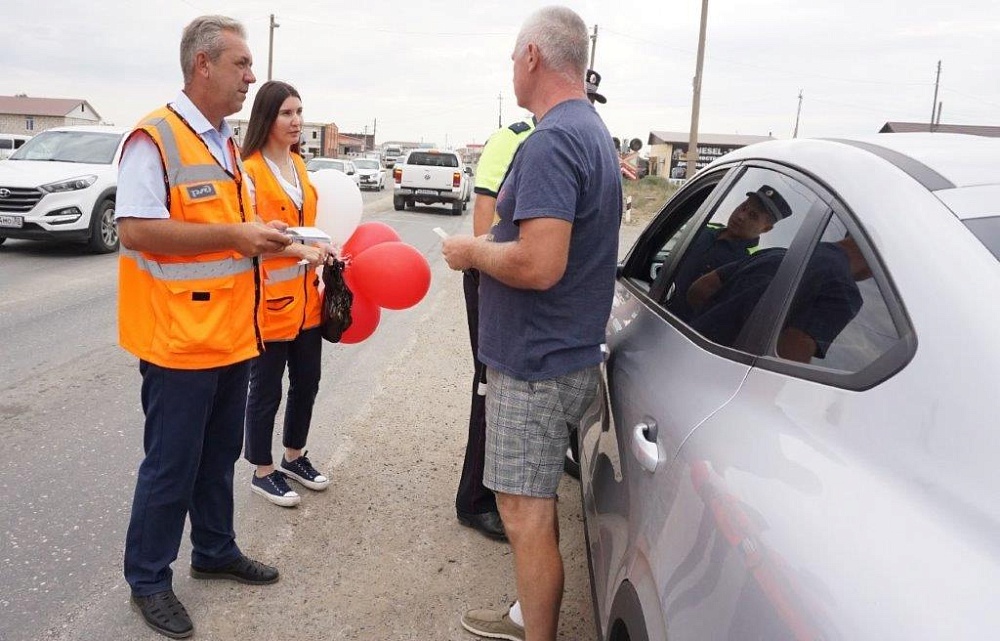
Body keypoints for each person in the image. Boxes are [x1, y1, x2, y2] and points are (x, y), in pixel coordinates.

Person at [442, 7, 622, 641]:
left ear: (532, 59)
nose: (510, 68)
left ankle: (535, 631)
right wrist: (502, 238)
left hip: (534, 363)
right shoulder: (590, 129)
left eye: (512, 57)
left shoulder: (549, 141)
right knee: (535, 507)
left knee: (524, 511)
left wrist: (471, 252)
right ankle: (529, 612)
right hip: (562, 351)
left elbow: (540, 264)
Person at [116, 15, 291, 639]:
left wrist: (281, 244)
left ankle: (215, 551)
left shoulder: (222, 139)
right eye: (242, 65)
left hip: (229, 333)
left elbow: (232, 237)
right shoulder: (155, 136)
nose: (251, 76)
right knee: (171, 465)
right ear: (203, 66)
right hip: (179, 338)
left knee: (217, 457)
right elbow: (135, 228)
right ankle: (149, 580)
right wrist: (238, 235)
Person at [241, 80, 334, 507]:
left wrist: (325, 250)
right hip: (269, 303)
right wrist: (303, 251)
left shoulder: (299, 165)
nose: (296, 121)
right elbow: (255, 237)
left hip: (307, 303)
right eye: (287, 114)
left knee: (308, 382)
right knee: (266, 389)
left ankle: (294, 455)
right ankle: (262, 469)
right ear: (267, 118)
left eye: (299, 112)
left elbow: (307, 222)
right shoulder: (251, 171)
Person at [687, 236, 871, 360]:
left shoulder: (775, 253)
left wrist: (723, 322)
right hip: (725, 382)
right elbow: (787, 356)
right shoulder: (842, 291)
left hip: (688, 352)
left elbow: (699, 289)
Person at [667, 185, 792, 321]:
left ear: (766, 229)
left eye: (753, 216)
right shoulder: (703, 229)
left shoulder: (750, 261)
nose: (741, 216)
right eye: (743, 207)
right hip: (660, 309)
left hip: (685, 331)